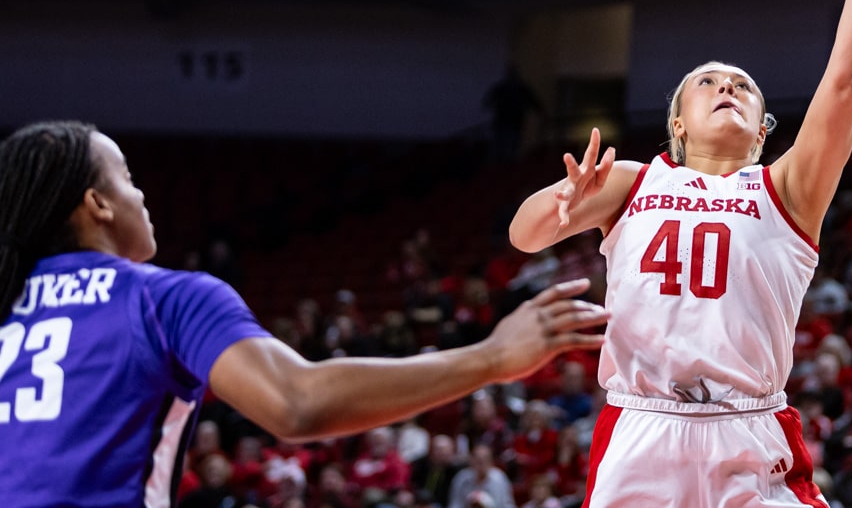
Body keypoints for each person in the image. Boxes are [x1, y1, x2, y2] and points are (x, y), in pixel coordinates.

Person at [509, 0, 852, 507]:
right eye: (707, 82)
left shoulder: (787, 188)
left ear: (767, 129)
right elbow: (525, 237)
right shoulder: (632, 180)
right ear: (677, 124)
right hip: (642, 427)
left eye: (742, 85)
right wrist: (564, 200)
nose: (727, 87)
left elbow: (848, 81)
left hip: (749, 428)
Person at [0, 120, 609, 507]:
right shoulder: (162, 297)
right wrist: (493, 356)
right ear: (97, 204)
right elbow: (297, 402)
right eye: (127, 179)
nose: (141, 195)